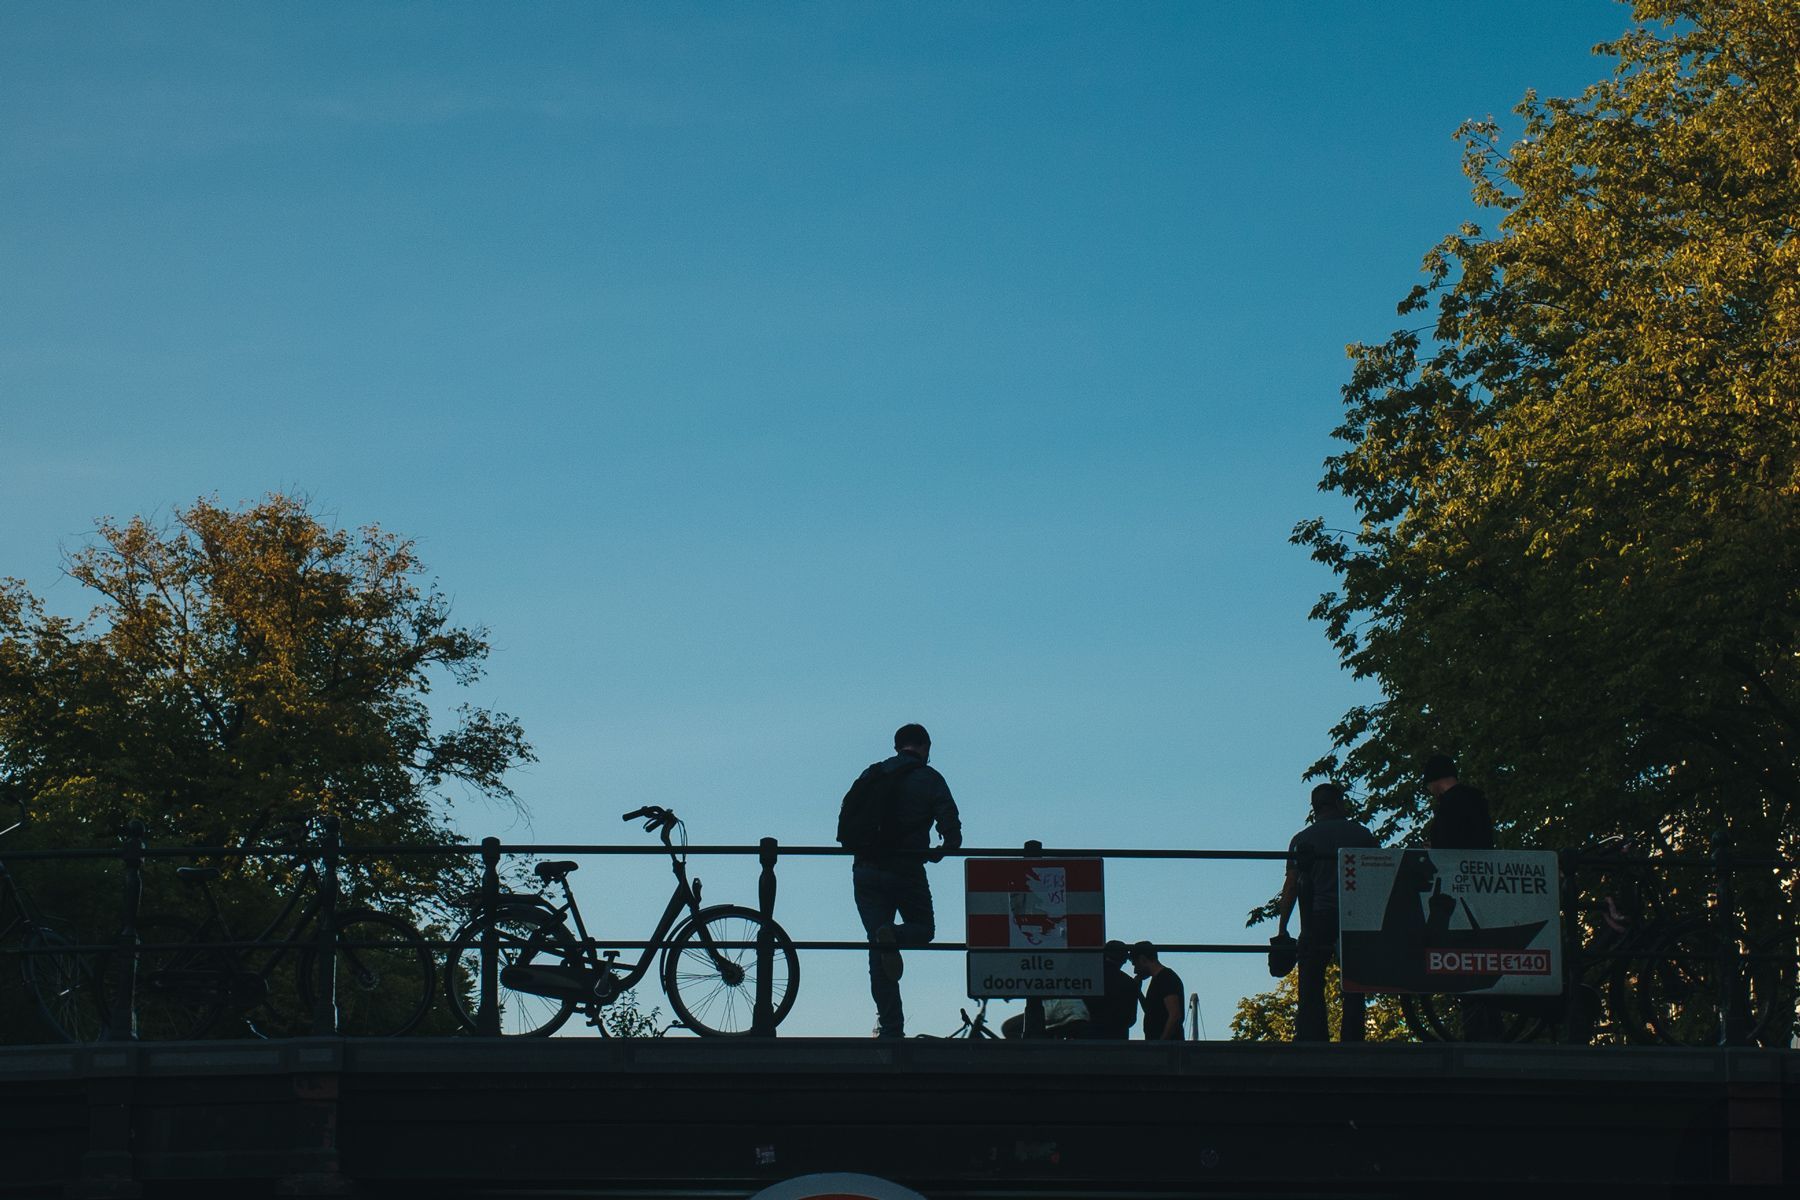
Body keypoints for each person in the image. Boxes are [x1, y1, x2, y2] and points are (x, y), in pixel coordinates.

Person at [843, 723, 961, 1038]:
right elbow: (951, 827)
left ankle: (891, 1027)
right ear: (925, 746)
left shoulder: (873, 773)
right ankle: (892, 935)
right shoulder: (930, 778)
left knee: (877, 951)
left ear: (897, 746)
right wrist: (942, 850)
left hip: (866, 869)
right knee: (923, 929)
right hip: (906, 868)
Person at [1277, 782, 1379, 1042]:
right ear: (1339, 803)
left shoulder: (1302, 840)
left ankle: (1312, 1036)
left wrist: (1282, 927)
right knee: (1354, 981)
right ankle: (1353, 1037)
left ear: (1314, 809)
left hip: (1316, 916)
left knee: (1311, 978)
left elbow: (1291, 886)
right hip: (1354, 917)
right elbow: (1379, 878)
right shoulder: (1362, 836)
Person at [1423, 752, 1499, 1040]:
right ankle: (1492, 1025)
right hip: (1483, 885)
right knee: (1484, 953)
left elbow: (1447, 847)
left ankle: (1475, 1027)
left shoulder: (1448, 806)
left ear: (1433, 783)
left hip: (1458, 890)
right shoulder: (1476, 800)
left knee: (1461, 954)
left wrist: (1433, 848)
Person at [1423, 753, 1494, 850]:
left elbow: (1451, 838)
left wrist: (1436, 849)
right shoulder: (1476, 798)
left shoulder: (1449, 804)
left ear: (1433, 780)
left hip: (1458, 862)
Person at [1129, 942, 1184, 1040]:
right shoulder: (1162, 979)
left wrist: (1161, 1043)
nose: (1135, 971)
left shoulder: (1166, 978)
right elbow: (1152, 1012)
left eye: (1135, 964)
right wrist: (1138, 993)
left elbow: (1175, 1015)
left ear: (1143, 959)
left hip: (1167, 1049)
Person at [1088, 939, 1140, 1039]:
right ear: (1124, 960)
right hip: (1117, 1039)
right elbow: (1130, 1020)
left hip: (1090, 1037)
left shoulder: (1089, 979)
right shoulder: (1129, 983)